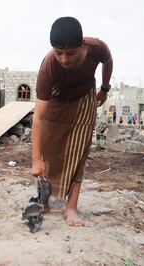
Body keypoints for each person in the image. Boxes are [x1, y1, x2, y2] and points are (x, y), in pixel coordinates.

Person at [31, 17, 113, 227]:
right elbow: (39, 117)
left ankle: (71, 207)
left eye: (70, 53)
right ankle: (43, 200)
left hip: (85, 96)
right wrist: (35, 159)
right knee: (48, 150)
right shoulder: (48, 66)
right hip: (57, 98)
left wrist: (104, 88)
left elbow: (108, 60)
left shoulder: (96, 47)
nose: (64, 59)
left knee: (79, 150)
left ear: (82, 46)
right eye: (59, 53)